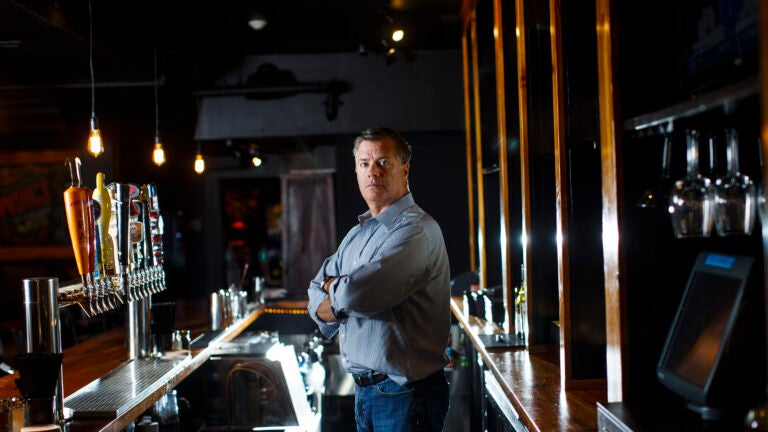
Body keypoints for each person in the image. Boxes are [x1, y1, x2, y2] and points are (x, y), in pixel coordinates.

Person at [307, 127, 452, 431]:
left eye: (383, 162)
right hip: (366, 393)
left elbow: (359, 294)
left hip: (405, 394)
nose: (372, 172)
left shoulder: (416, 230)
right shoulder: (357, 234)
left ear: (405, 169)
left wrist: (335, 291)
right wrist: (338, 294)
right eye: (364, 164)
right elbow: (314, 292)